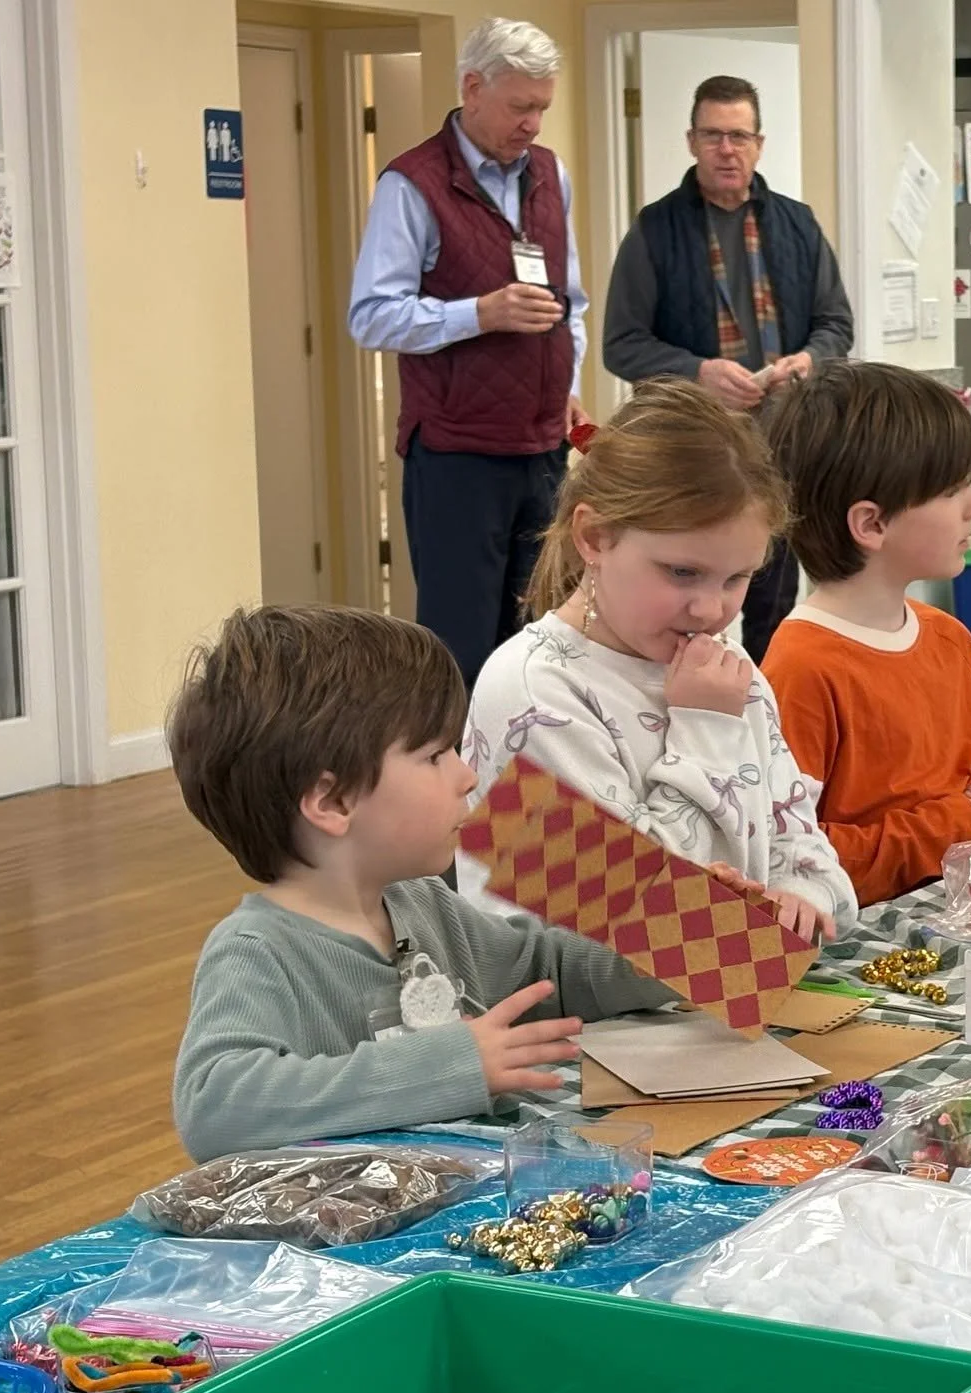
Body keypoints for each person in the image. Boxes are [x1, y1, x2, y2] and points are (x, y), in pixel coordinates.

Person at [166, 606, 679, 1162]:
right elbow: (214, 1107)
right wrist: (450, 1065)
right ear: (333, 802)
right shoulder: (257, 952)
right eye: (435, 755)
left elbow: (546, 972)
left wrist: (674, 937)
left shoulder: (425, 903)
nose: (466, 775)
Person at [460, 378, 857, 942]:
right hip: (584, 1023)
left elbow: (813, 859)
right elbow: (630, 931)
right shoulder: (529, 690)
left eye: (737, 577)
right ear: (595, 536)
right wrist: (705, 730)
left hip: (737, 998)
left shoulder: (725, 671)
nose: (711, 609)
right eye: (682, 572)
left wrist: (804, 896)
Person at [348, 18, 592, 690]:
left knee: (544, 641)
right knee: (463, 649)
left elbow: (570, 300)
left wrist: (564, 377)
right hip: (457, 456)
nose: (535, 124)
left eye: (543, 106)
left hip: (543, 450)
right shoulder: (412, 185)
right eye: (521, 107)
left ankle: (533, 792)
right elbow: (370, 316)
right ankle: (456, 790)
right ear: (472, 88)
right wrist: (481, 313)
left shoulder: (550, 174)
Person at [602, 74, 856, 662]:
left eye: (739, 135)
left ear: (759, 144)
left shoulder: (797, 224)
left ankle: (769, 721)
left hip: (785, 439)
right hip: (694, 447)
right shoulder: (655, 229)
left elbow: (836, 325)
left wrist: (809, 360)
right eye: (713, 135)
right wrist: (698, 372)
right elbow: (622, 343)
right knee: (694, 592)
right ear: (691, 141)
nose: (727, 149)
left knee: (772, 597)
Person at [760, 362, 971, 907]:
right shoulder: (801, 668)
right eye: (953, 489)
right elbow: (792, 860)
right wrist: (953, 829)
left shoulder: (948, 638)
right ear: (871, 525)